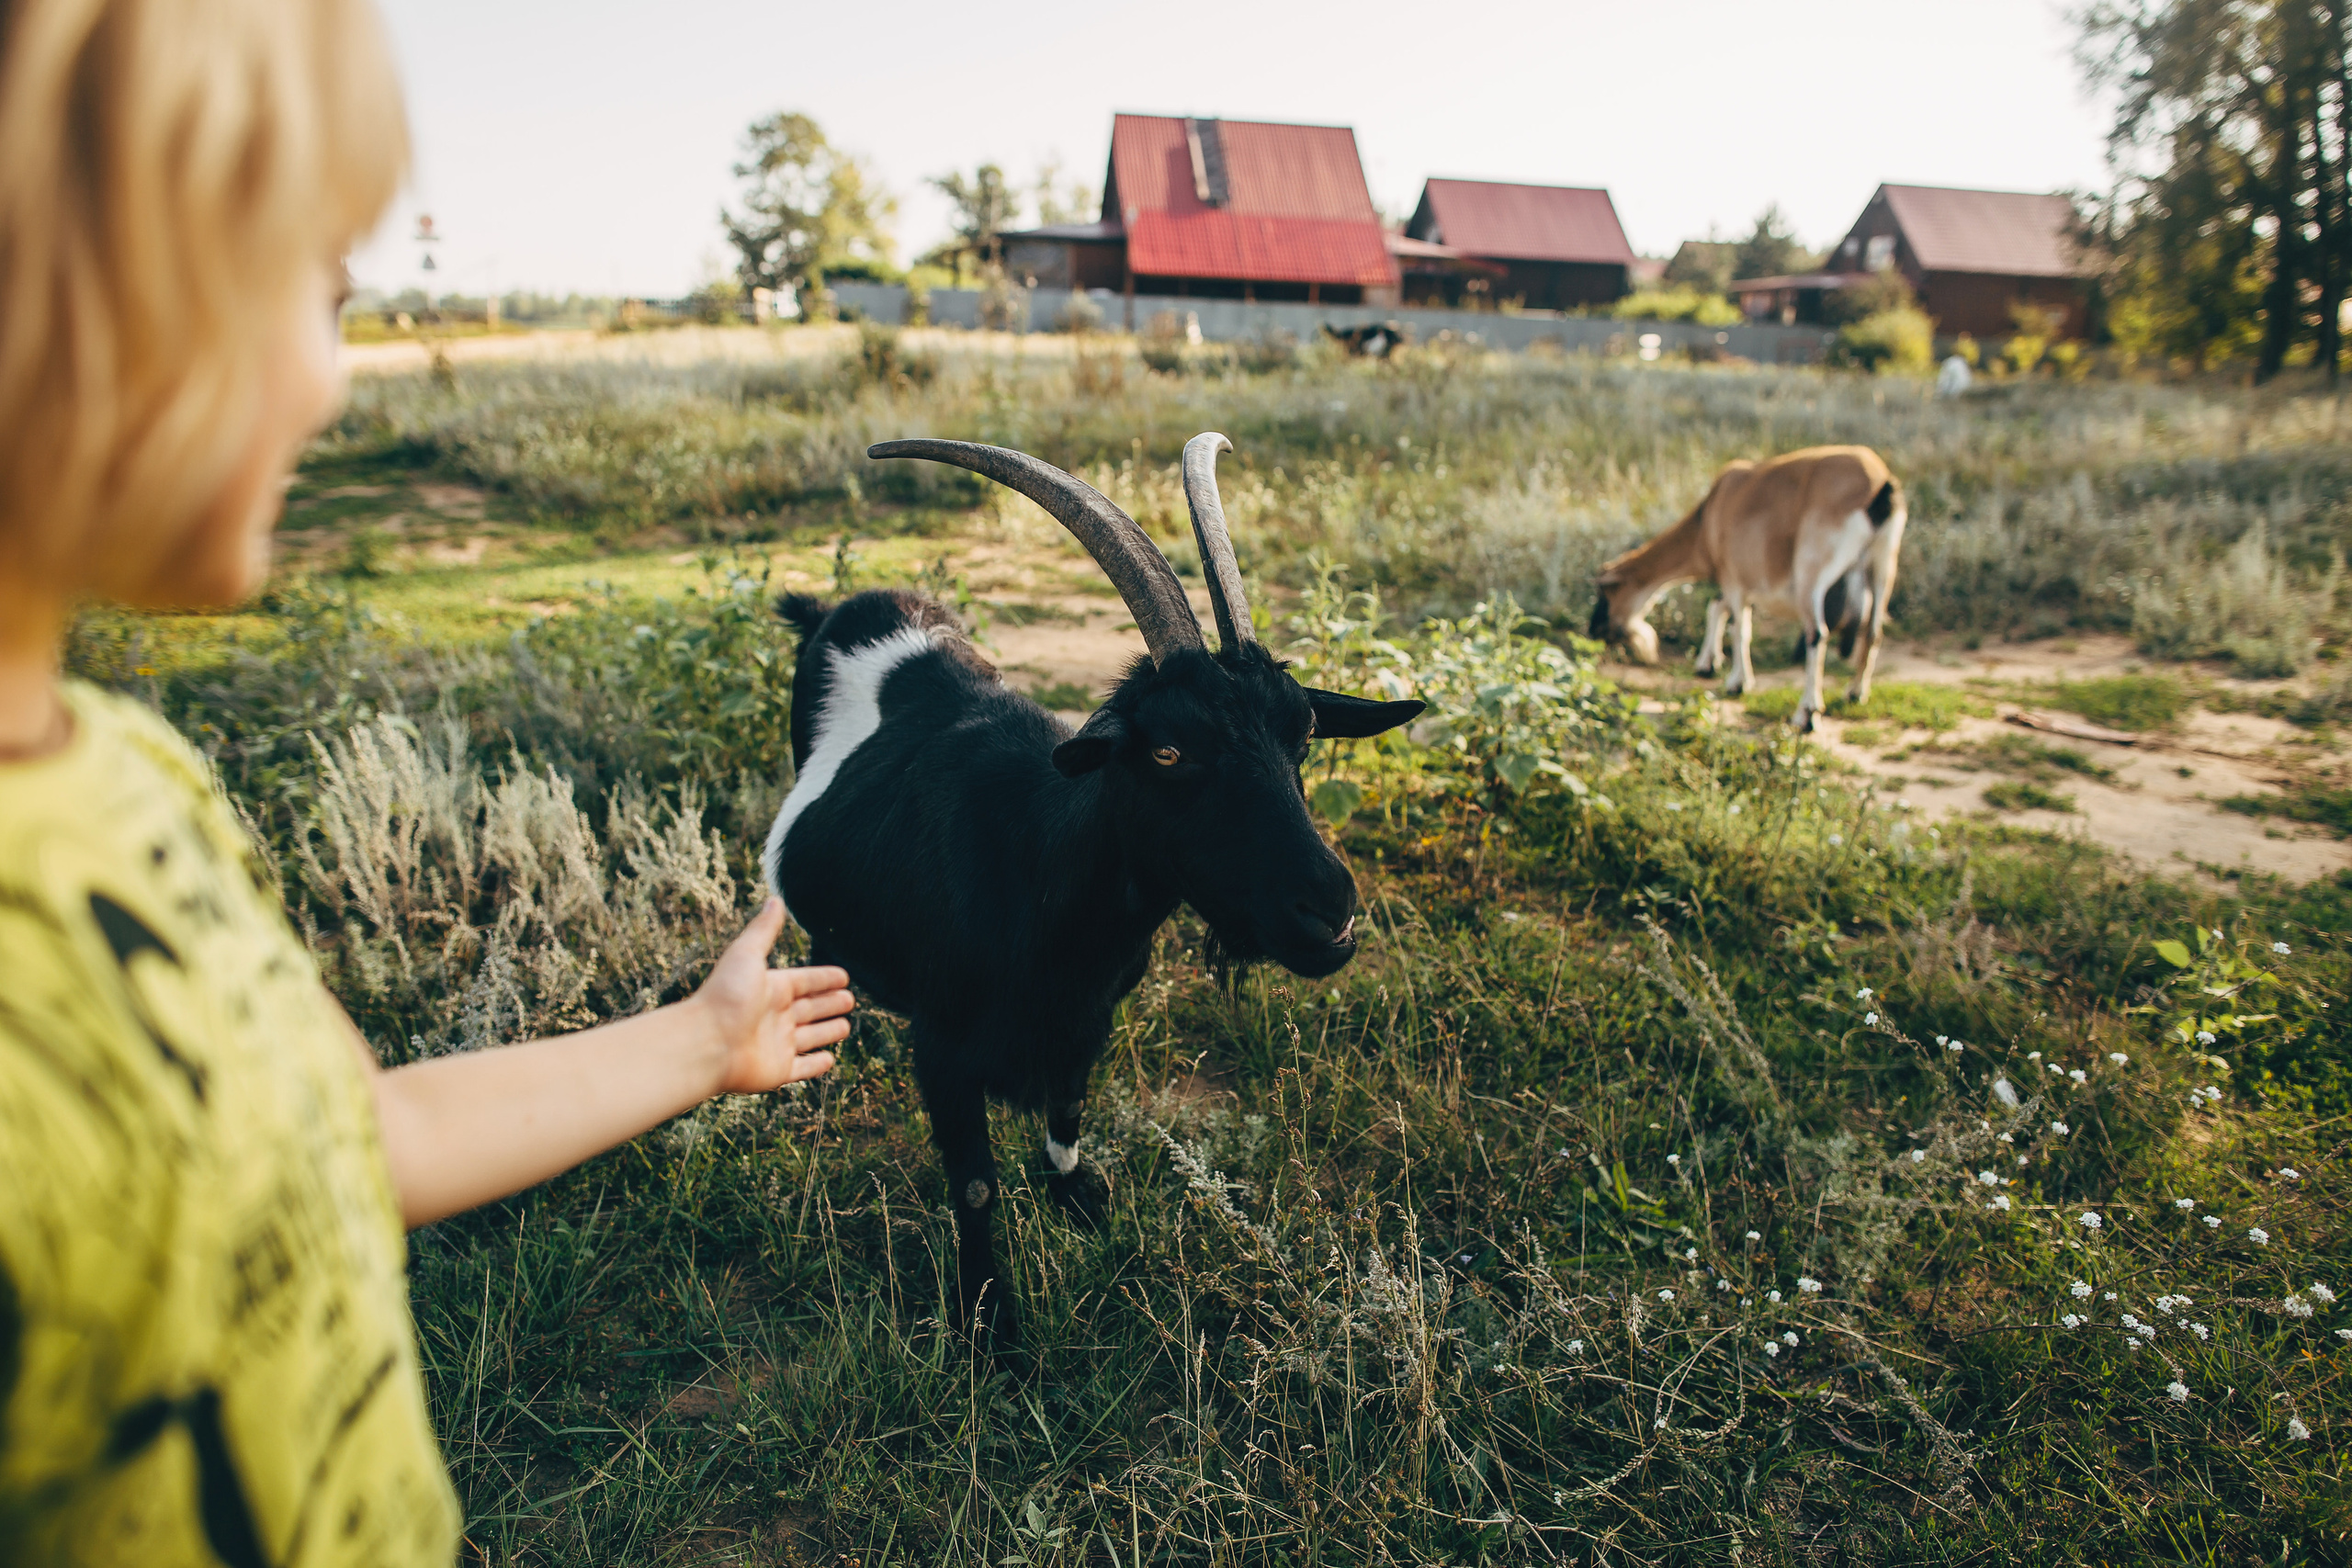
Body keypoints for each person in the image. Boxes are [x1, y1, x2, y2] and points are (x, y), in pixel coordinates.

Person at [0, 1, 854, 1562]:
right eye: (314, 288)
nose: (331, 387)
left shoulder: (136, 779)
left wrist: (699, 1040)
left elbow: (349, 1142)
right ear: (97, 271)